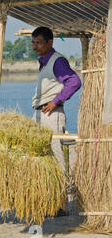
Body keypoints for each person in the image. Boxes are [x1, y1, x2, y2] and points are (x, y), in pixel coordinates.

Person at [31, 27, 82, 215]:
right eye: (33, 43)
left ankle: (59, 205)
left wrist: (55, 101)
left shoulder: (57, 61)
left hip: (52, 114)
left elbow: (74, 82)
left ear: (50, 43)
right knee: (43, 157)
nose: (35, 46)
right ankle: (48, 200)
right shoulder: (44, 62)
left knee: (56, 157)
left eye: (39, 43)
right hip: (42, 114)